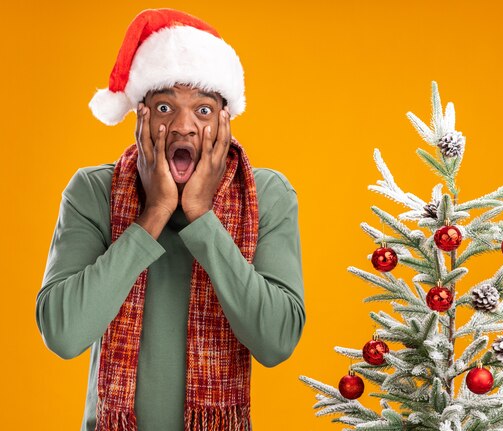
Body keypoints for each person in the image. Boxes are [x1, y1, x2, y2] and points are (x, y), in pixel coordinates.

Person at [35, 8, 304, 431]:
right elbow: (64, 334)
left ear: (224, 123)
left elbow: (276, 342)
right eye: (164, 106)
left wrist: (201, 216)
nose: (184, 127)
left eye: (202, 110)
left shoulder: (266, 195)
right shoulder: (93, 191)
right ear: (142, 117)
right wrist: (155, 212)